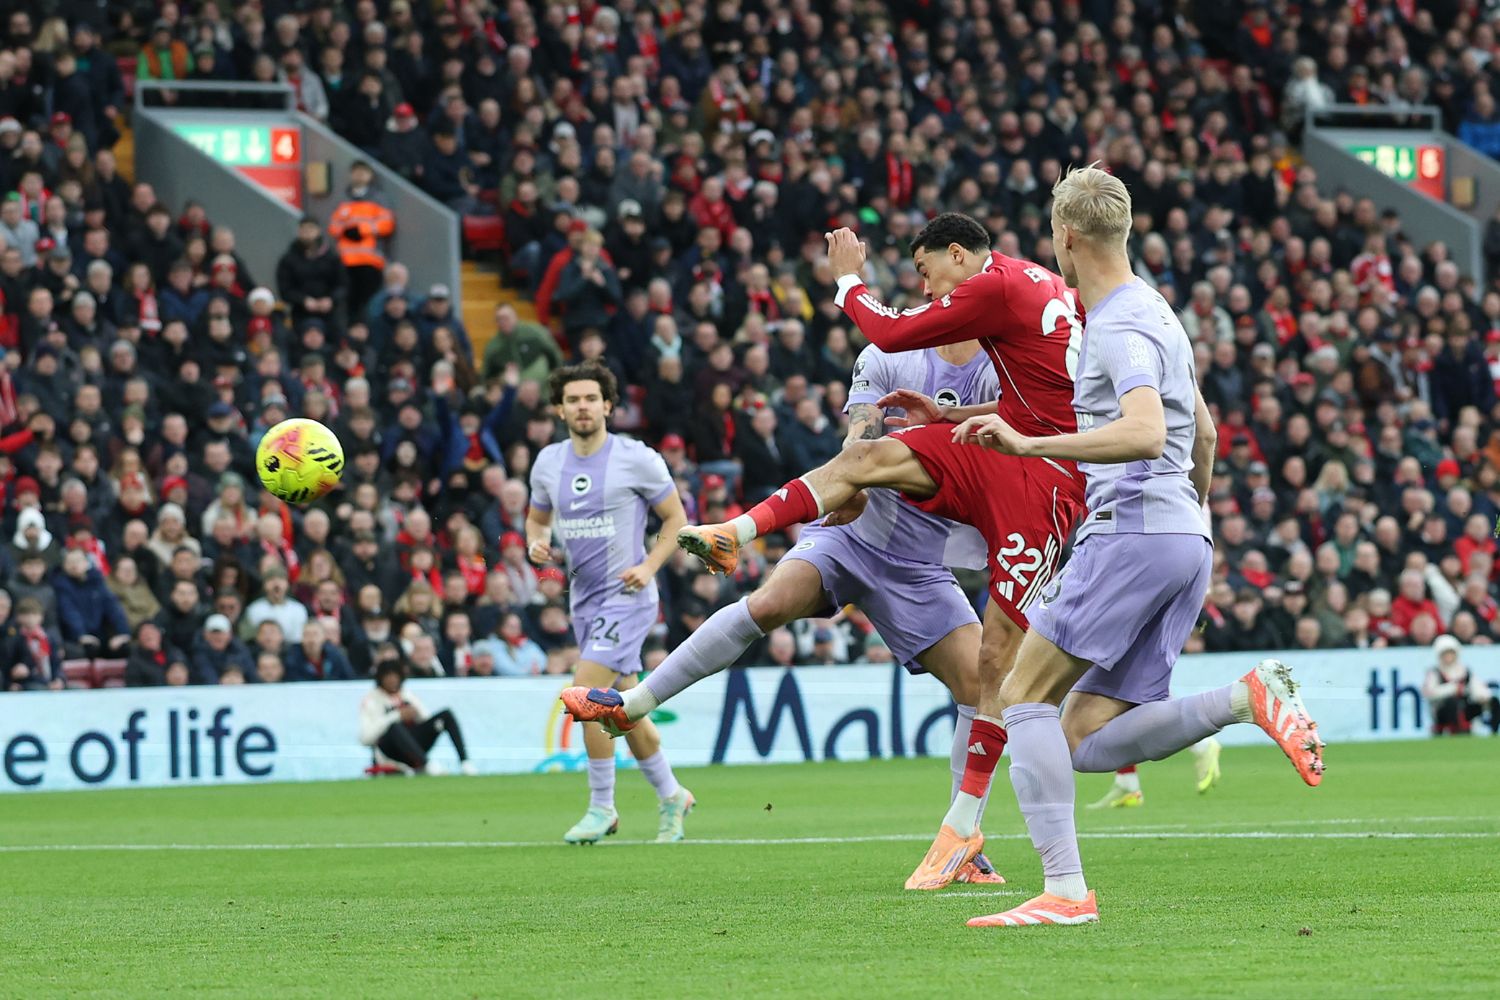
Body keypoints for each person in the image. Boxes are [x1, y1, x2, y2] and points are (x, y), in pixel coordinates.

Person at [947, 166, 1324, 929]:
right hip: (1179, 534)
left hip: (1132, 530)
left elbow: (1148, 431)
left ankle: (1064, 891)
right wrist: (1188, 528)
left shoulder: (1117, 324)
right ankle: (1244, 698)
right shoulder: (1158, 310)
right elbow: (1203, 434)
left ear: (1067, 238)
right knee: (1082, 736)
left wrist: (1029, 445)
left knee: (1021, 696)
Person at [667, 212, 1089, 886]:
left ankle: (964, 827)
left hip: (1046, 480)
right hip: (1004, 445)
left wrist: (847, 281)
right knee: (865, 456)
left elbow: (890, 330)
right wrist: (950, 416)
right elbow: (1037, 401)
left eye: (927, 271)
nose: (926, 287)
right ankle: (736, 531)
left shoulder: (995, 285)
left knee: (996, 663)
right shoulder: (1036, 283)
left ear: (959, 254)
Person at [562, 337, 1008, 884]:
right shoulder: (889, 351)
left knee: (981, 686)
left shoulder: (1003, 362)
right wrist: (851, 481)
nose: (933, 296)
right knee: (768, 602)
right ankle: (633, 704)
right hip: (848, 534)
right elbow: (860, 433)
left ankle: (964, 843)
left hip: (919, 563)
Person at [528, 360, 695, 844]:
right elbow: (537, 519)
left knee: (585, 694)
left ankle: (602, 807)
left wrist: (649, 566)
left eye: (590, 398)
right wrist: (537, 541)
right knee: (626, 708)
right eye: (572, 400)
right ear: (560, 409)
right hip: (584, 601)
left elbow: (676, 520)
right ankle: (672, 795)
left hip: (629, 595)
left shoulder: (636, 458)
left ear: (607, 406)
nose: (582, 407)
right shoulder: (548, 463)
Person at [357, 660, 476, 775]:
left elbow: (427, 720)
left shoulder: (407, 695)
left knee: (446, 715)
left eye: (395, 676)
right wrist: (397, 715)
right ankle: (427, 765)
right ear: (380, 679)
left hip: (414, 746)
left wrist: (415, 713)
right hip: (389, 751)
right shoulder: (372, 700)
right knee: (395, 727)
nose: (392, 680)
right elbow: (365, 738)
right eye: (388, 676)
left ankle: (465, 763)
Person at [328, 160, 395, 317]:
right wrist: (345, 231)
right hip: (346, 261)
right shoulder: (343, 200)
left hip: (370, 260)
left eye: (363, 172)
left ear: (370, 176)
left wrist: (362, 230)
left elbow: (387, 223)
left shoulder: (378, 199)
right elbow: (333, 225)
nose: (359, 175)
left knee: (369, 304)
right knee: (349, 304)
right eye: (356, 172)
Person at [1423, 634, 1494, 735]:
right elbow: (1429, 693)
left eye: (1451, 653)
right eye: (1445, 654)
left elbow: (1477, 688)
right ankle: (1455, 730)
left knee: (1492, 701)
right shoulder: (1435, 672)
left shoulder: (1464, 671)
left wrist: (1483, 696)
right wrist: (1451, 689)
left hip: (1465, 708)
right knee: (1452, 702)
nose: (1448, 656)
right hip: (1443, 710)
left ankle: (1493, 732)